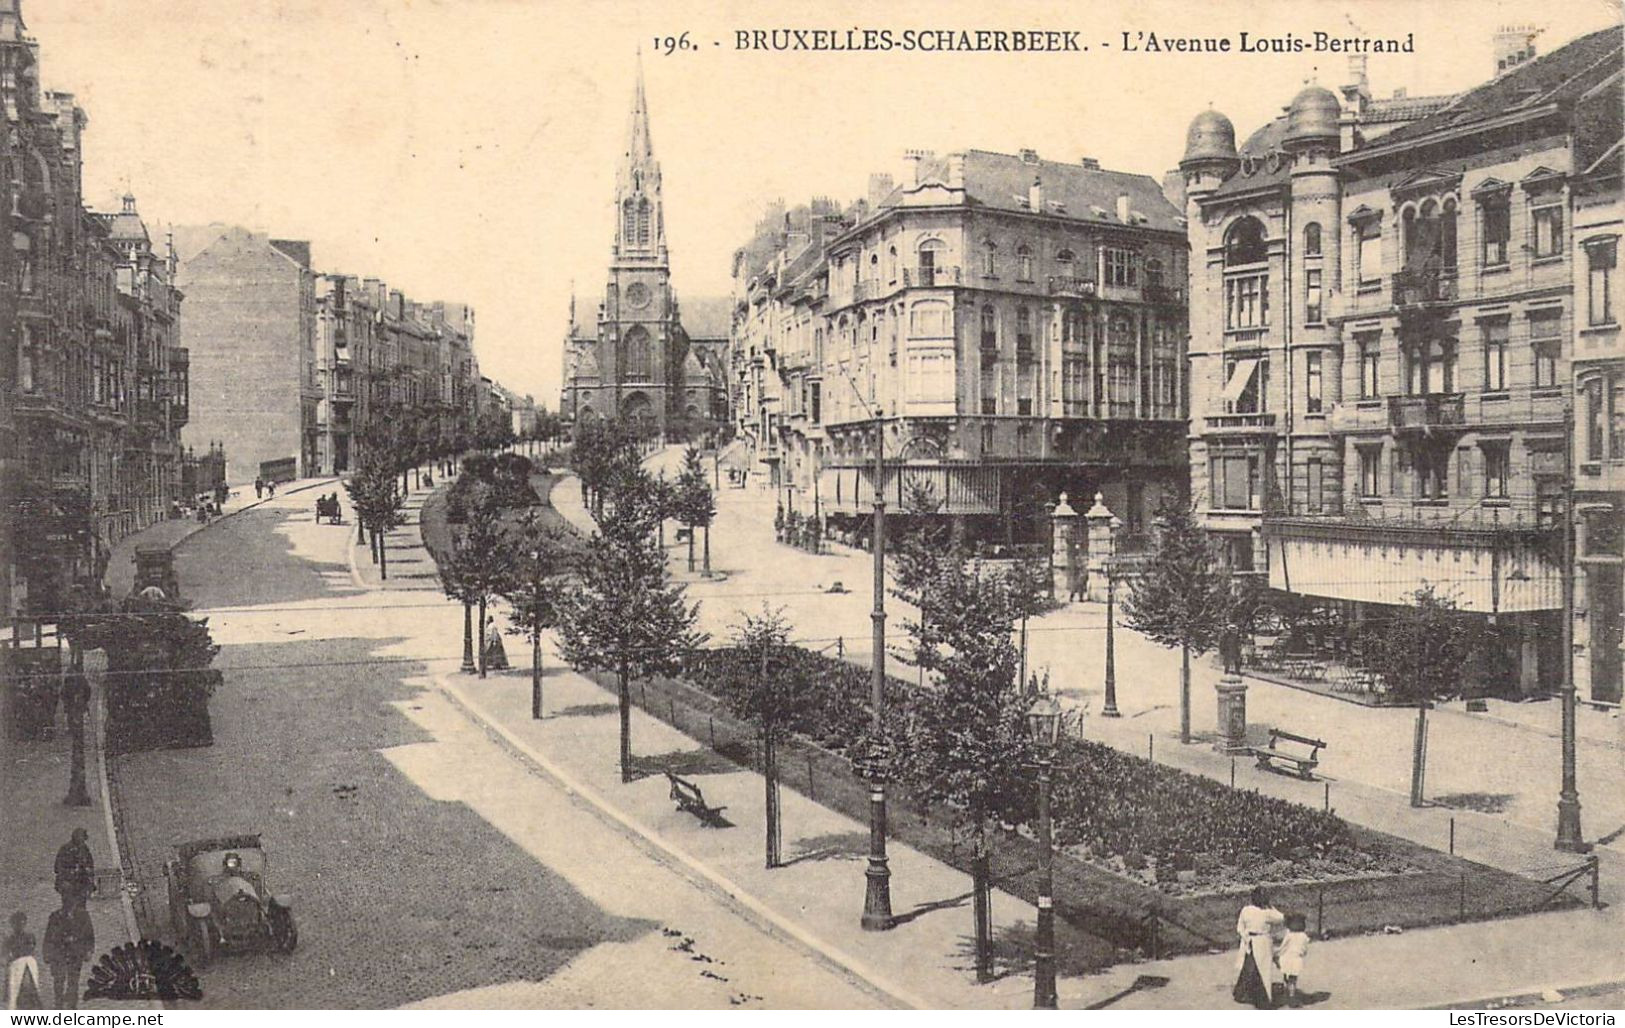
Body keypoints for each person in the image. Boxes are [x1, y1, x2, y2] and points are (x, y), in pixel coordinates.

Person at [1232, 886, 1283, 1008]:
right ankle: (1260, 998)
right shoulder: (1267, 912)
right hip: (1260, 942)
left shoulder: (1246, 910)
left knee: (1250, 967)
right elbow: (1281, 917)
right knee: (1260, 969)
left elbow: (1240, 927)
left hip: (1250, 941)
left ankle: (1242, 993)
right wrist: (1271, 906)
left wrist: (1245, 937)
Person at [41, 897, 93, 1010]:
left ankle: (72, 1005)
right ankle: (58, 1004)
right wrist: (47, 953)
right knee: (58, 980)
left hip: (75, 953)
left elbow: (89, 935)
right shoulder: (55, 916)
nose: (69, 906)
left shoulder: (83, 917)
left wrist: (89, 950)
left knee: (73, 980)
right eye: (66, 903)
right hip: (59, 953)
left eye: (71, 904)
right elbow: (48, 936)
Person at [5, 912, 41, 1009]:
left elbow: (31, 949)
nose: (19, 925)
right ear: (13, 925)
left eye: (22, 923)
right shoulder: (10, 939)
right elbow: (8, 954)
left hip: (28, 964)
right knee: (14, 990)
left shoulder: (30, 937)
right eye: (16, 923)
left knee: (30, 987)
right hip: (16, 966)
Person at [1276, 912, 1310, 1007]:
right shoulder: (1304, 936)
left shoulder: (1289, 935)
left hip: (1287, 958)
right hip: (1296, 959)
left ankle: (1287, 991)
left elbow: (1283, 947)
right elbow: (1304, 949)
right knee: (1293, 979)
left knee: (1287, 975)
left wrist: (1277, 953)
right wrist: (1302, 954)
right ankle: (1291, 995)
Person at [53, 830, 94, 906]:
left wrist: (88, 871)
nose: (82, 843)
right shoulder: (65, 849)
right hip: (68, 882)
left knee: (81, 906)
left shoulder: (84, 849)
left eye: (83, 841)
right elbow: (57, 868)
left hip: (81, 883)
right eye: (80, 841)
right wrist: (70, 872)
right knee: (69, 905)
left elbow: (90, 863)